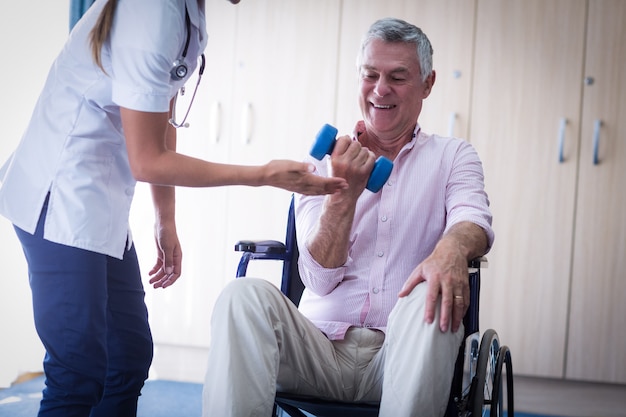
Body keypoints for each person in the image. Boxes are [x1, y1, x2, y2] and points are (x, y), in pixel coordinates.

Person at [0, 0, 347, 416]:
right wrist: (262, 175)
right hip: (61, 199)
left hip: (100, 201)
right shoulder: (152, 11)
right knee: (78, 370)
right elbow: (147, 159)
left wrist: (166, 219)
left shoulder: (187, 12)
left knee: (128, 356)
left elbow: (160, 123)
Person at [202, 17, 494, 416]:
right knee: (241, 296)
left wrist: (450, 251)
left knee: (432, 290)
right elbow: (319, 280)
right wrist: (344, 194)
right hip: (317, 351)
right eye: (370, 74)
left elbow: (472, 220)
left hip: (403, 355)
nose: (380, 88)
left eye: (398, 76)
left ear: (428, 83)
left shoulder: (453, 156)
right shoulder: (323, 162)